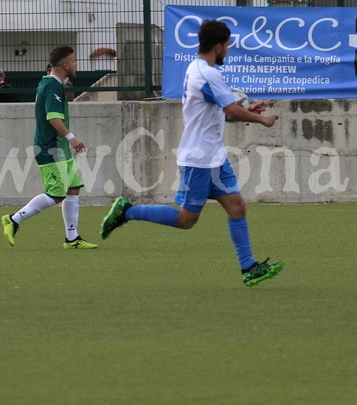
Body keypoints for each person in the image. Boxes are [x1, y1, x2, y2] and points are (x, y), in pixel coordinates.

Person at [98, 20, 285, 287]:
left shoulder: (197, 69)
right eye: (228, 46)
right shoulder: (208, 74)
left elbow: (222, 110)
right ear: (218, 47)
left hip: (214, 158)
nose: (228, 51)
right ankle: (127, 211)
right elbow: (230, 109)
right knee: (186, 220)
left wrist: (247, 111)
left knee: (236, 206)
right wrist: (262, 119)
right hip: (199, 159)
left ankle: (249, 267)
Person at [1, 46, 98, 249]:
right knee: (56, 194)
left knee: (72, 189)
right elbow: (52, 117)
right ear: (65, 65)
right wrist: (72, 138)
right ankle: (13, 219)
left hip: (59, 149)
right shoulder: (53, 86)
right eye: (73, 61)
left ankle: (72, 239)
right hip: (51, 148)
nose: (75, 64)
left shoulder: (49, 83)